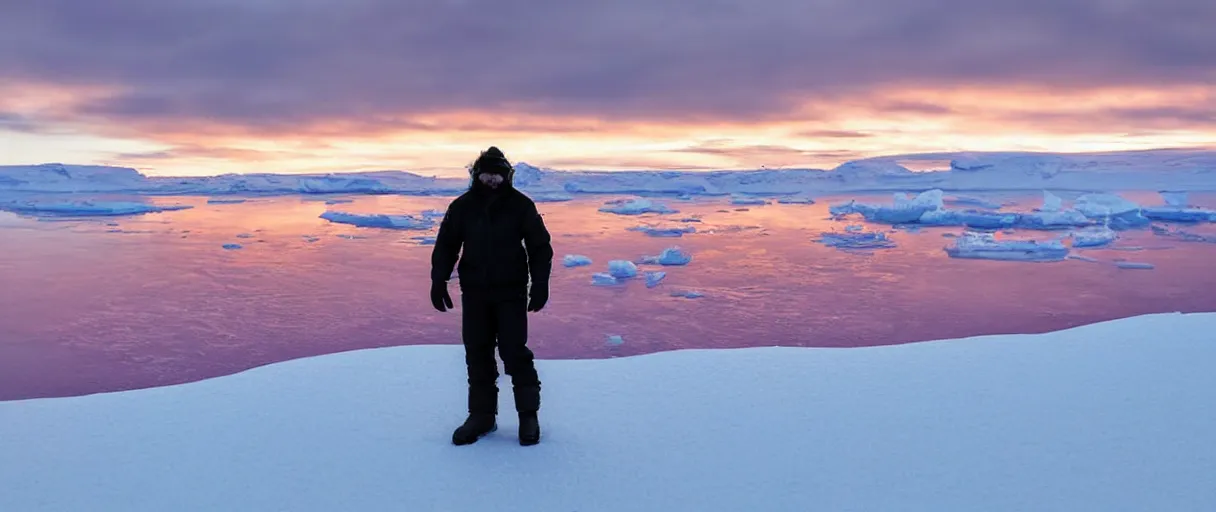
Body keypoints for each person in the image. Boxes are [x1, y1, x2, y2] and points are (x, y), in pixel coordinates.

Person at [429, 146, 554, 446]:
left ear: (507, 176)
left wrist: (540, 284)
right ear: (476, 175)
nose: (493, 181)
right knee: (478, 353)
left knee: (514, 352)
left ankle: (528, 416)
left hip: (510, 292)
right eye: (487, 175)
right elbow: (447, 244)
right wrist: (438, 279)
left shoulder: (521, 206)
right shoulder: (462, 207)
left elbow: (540, 246)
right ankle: (482, 416)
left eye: (498, 175)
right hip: (474, 292)